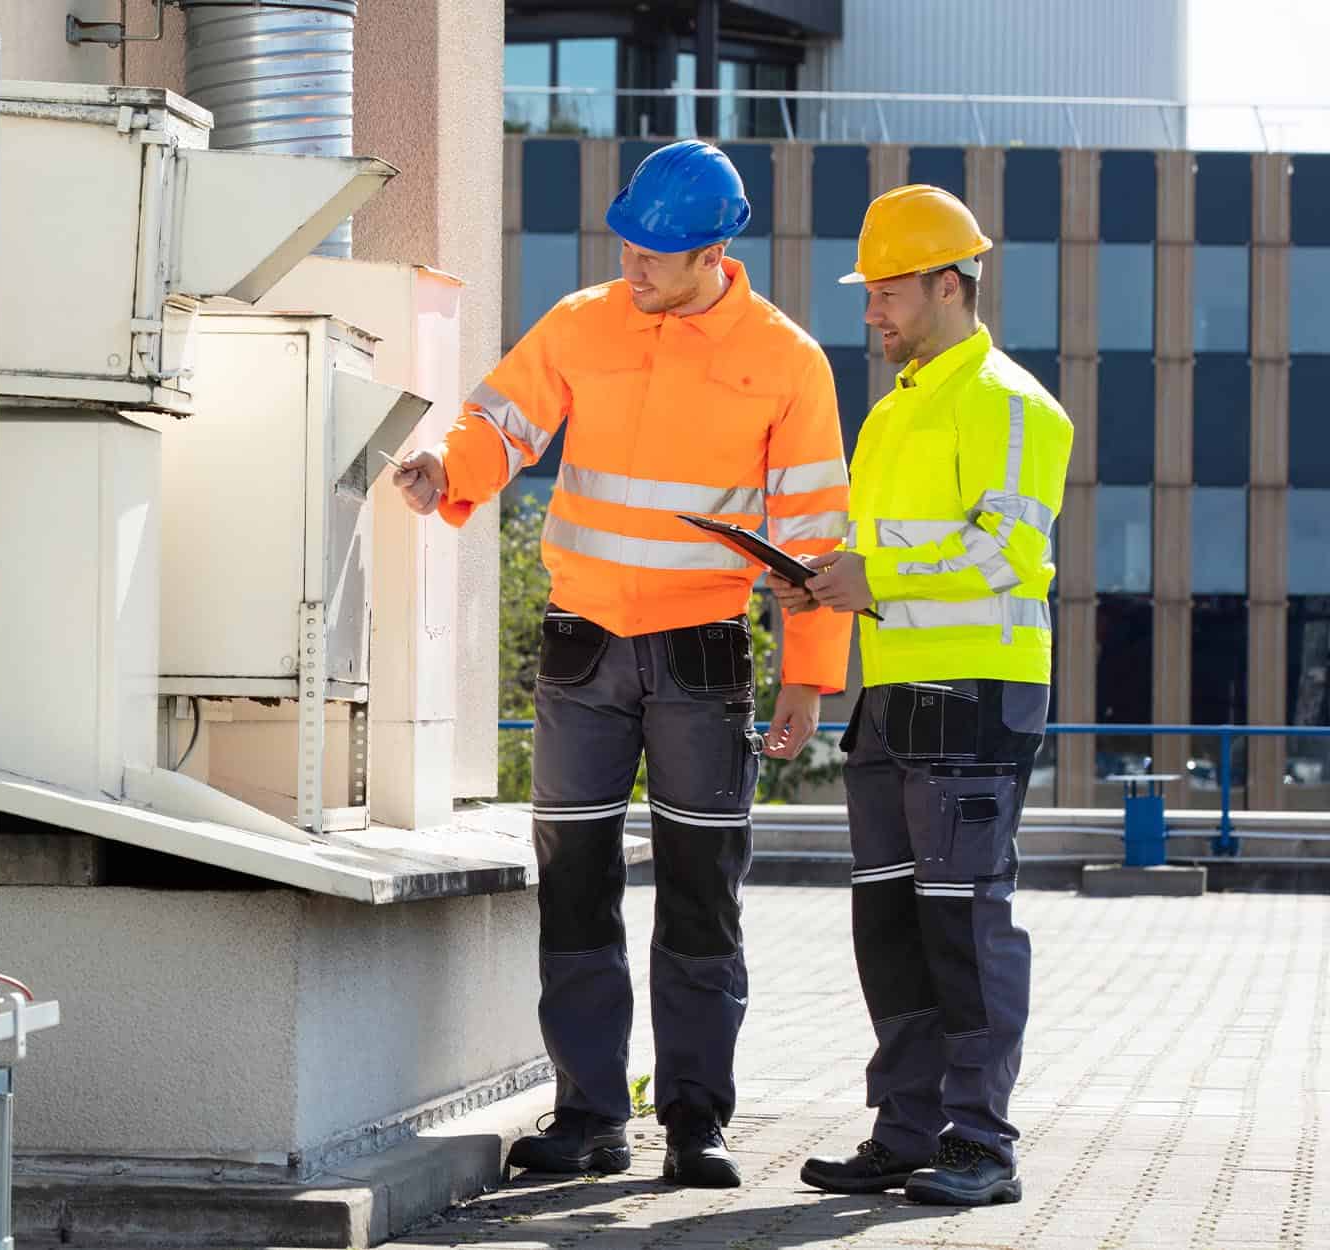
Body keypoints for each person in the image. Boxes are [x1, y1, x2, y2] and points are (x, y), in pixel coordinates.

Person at [393, 140, 852, 1188]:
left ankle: (694, 1121)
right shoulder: (579, 322)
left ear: (716, 249)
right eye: (629, 243)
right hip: (581, 649)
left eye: (659, 252)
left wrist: (804, 679)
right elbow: (499, 420)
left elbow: (814, 535)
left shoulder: (785, 360)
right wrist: (445, 467)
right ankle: (589, 1113)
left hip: (702, 658)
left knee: (700, 896)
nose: (635, 264)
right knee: (575, 890)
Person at [773, 184, 1073, 1206]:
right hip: (893, 696)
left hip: (976, 699)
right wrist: (822, 575)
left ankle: (980, 1144)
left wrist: (875, 575)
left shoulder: (1010, 403)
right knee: (890, 926)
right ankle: (904, 1131)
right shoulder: (897, 409)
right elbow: (890, 553)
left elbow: (1009, 554)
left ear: (947, 285)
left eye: (887, 291)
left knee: (962, 923)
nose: (870, 311)